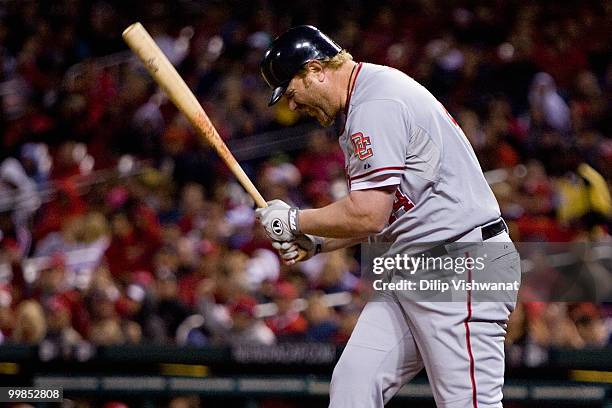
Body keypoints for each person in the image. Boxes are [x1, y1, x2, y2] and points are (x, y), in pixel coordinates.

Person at [256, 25, 521, 408]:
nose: (292, 106)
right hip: (419, 265)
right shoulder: (363, 100)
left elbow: (368, 216)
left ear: (315, 70)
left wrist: (295, 221)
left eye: (291, 93)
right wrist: (316, 242)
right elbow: (392, 211)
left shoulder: (375, 103)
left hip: (463, 266)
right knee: (353, 385)